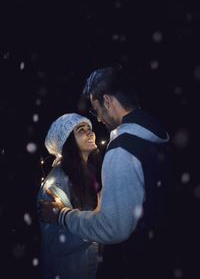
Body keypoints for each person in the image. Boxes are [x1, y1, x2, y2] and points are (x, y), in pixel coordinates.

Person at [39, 65, 172, 278]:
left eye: (96, 111)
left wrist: (64, 216)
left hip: (137, 263)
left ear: (108, 102)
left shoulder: (120, 151)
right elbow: (54, 243)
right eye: (81, 129)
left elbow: (112, 228)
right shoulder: (154, 134)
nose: (98, 120)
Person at [37, 113, 103, 279]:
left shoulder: (88, 174)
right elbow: (54, 244)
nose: (90, 133)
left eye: (90, 128)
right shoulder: (55, 185)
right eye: (81, 130)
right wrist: (95, 229)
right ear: (67, 142)